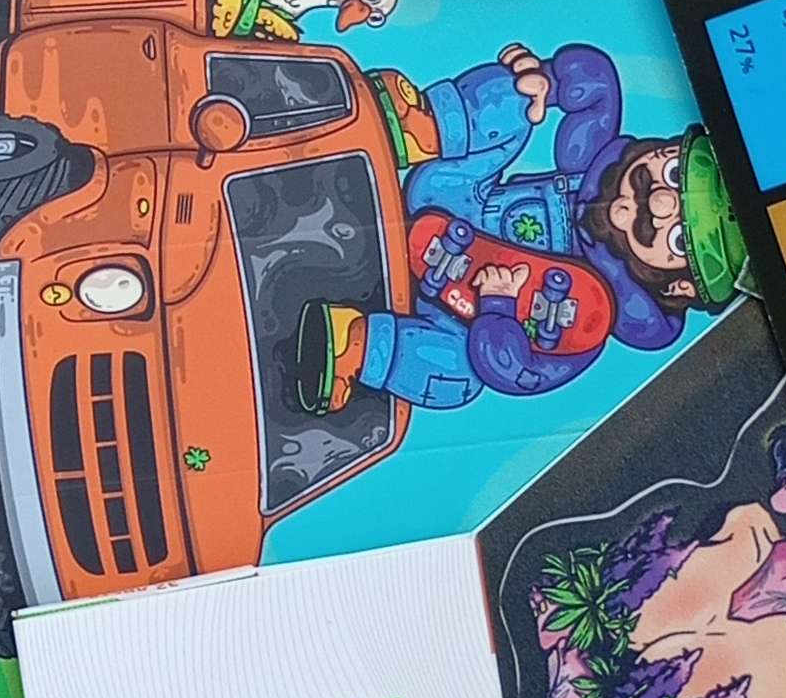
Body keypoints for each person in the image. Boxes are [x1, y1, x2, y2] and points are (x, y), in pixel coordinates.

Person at [293, 39, 743, 416]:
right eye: (673, 175)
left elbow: (519, 373)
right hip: (451, 198)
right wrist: (548, 81)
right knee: (519, 99)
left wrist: (498, 307)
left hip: (447, 311)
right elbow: (597, 85)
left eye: (679, 237)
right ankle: (423, 129)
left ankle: (359, 345)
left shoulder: (586, 325)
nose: (660, 201)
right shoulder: (589, 166)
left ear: (680, 286)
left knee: (459, 380)